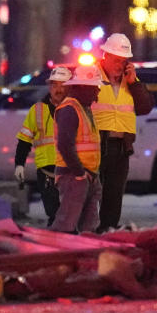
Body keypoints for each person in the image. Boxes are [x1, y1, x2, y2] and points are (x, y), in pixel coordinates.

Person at [92, 33, 154, 232]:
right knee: (93, 192)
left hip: (121, 146)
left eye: (123, 60)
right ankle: (90, 230)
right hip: (96, 144)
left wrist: (134, 82)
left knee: (114, 192)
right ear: (105, 56)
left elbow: (145, 107)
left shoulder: (131, 81)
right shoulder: (91, 76)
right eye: (116, 60)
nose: (120, 65)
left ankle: (109, 229)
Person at [13, 65, 71, 226]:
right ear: (49, 87)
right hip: (46, 170)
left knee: (70, 213)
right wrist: (19, 164)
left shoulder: (77, 109)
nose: (58, 89)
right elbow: (25, 139)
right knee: (53, 213)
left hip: (71, 169)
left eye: (62, 85)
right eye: (54, 85)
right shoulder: (37, 110)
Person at [50, 64, 105, 233]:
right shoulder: (70, 109)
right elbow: (65, 145)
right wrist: (80, 173)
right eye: (95, 88)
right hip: (74, 176)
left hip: (87, 175)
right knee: (65, 225)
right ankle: (54, 255)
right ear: (82, 87)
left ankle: (85, 254)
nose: (98, 93)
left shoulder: (83, 108)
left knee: (89, 226)